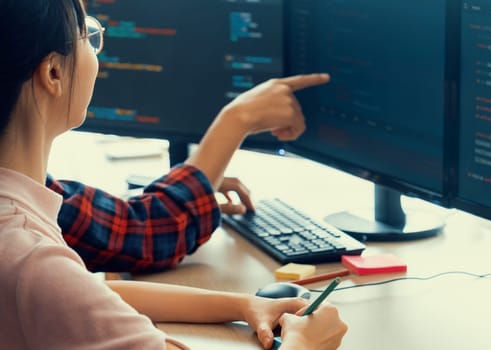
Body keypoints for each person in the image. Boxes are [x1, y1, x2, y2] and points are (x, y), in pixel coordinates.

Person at [0, 0, 347, 349]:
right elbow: (62, 285)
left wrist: (244, 303)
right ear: (53, 74)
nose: (95, 49)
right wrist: (306, 345)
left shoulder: (25, 237)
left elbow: (83, 293)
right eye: (87, 35)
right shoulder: (31, 256)